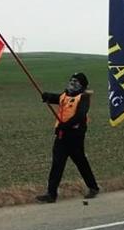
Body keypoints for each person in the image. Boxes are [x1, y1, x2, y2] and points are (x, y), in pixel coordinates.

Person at [36, 73, 100, 204]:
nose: (72, 83)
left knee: (81, 162)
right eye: (71, 80)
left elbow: (80, 116)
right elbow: (57, 98)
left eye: (76, 81)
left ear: (82, 84)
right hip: (61, 135)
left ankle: (93, 187)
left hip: (75, 136)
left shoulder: (84, 97)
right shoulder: (65, 95)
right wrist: (47, 96)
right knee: (57, 164)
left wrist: (66, 126)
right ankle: (51, 194)